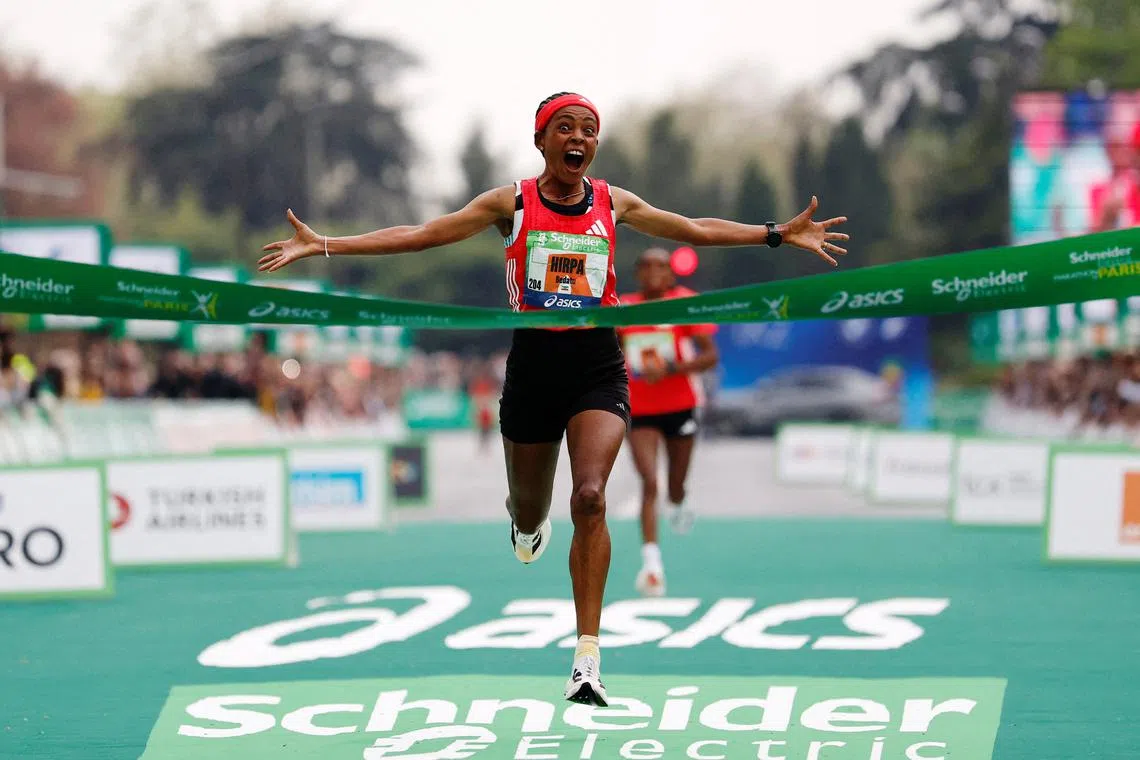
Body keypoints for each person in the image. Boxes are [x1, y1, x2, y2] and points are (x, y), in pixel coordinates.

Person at [259, 91, 849, 706]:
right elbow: (424, 234)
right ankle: (525, 522)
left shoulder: (612, 202)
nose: (578, 138)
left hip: (597, 367)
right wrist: (324, 244)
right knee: (530, 509)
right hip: (532, 373)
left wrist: (778, 233)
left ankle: (587, 660)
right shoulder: (508, 203)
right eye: (564, 128)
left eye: (589, 130)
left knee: (590, 497)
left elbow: (694, 230)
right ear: (542, 141)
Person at [616, 248, 719, 598]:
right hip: (639, 407)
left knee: (674, 486)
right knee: (649, 482)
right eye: (645, 267)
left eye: (660, 266)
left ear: (671, 275)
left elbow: (710, 356)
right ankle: (651, 564)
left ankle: (679, 498)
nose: (652, 273)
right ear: (637, 274)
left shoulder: (684, 304)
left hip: (680, 404)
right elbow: (610, 351)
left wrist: (671, 368)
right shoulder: (624, 307)